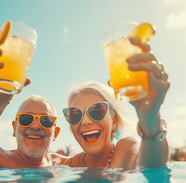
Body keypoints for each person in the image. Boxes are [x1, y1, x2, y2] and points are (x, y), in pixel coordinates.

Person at [63, 37, 169, 169]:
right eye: (75, 115)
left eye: (96, 111)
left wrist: (151, 121)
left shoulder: (124, 149)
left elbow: (150, 164)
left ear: (113, 122)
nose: (85, 122)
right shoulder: (70, 165)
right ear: (71, 128)